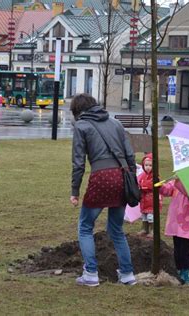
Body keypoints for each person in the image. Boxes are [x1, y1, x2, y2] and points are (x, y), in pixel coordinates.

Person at [70, 93, 137, 287]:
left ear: (77, 111)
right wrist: (131, 178)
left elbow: (78, 163)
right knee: (116, 229)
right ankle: (127, 274)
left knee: (85, 226)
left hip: (101, 178)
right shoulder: (116, 123)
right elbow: (129, 154)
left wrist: (74, 191)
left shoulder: (81, 126)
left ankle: (90, 273)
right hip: (121, 178)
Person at [160, 178, 189, 284]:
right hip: (176, 224)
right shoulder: (176, 181)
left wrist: (180, 181)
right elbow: (167, 190)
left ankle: (187, 276)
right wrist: (160, 186)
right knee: (177, 250)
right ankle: (179, 272)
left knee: (185, 251)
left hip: (188, 225)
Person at [137, 153, 159, 239]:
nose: (148, 167)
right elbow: (139, 182)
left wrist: (143, 186)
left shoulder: (155, 176)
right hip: (144, 200)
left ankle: (153, 230)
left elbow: (151, 185)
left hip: (152, 200)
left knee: (151, 216)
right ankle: (145, 229)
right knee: (144, 216)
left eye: (150, 165)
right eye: (146, 165)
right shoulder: (143, 175)